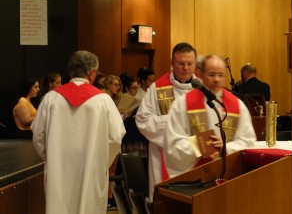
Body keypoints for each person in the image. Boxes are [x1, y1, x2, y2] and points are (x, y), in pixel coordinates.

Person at [31, 50, 125, 214]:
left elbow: (38, 136)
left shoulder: (51, 99)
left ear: (71, 71)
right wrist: (101, 161)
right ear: (92, 73)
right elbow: (116, 137)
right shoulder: (103, 100)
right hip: (92, 171)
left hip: (58, 172)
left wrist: (53, 158)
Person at [164, 54, 256, 178]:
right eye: (211, 75)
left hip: (228, 176)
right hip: (194, 176)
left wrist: (225, 148)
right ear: (200, 75)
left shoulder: (237, 105)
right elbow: (173, 144)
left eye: (221, 75)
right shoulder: (182, 104)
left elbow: (248, 141)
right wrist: (202, 145)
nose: (216, 79)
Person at [136, 42, 197, 201]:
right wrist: (174, 122)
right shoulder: (157, 88)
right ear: (172, 64)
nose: (185, 68)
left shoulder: (202, 89)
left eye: (189, 64)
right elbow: (143, 120)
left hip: (196, 157)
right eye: (181, 63)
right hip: (164, 155)